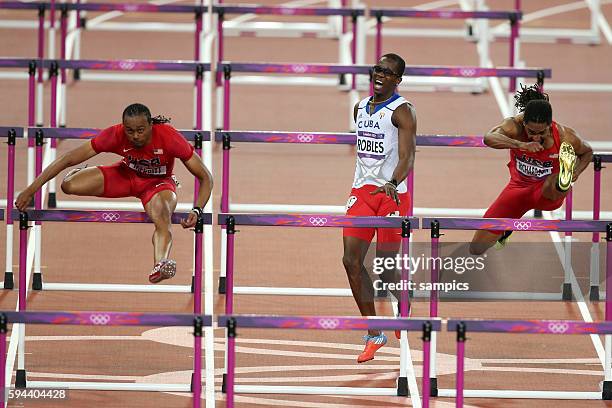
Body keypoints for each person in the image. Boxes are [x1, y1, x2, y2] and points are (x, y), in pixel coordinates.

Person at [15, 103, 213, 284]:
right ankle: (80, 173)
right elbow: (68, 158)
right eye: (130, 131)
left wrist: (197, 210)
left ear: (151, 126)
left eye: (140, 130)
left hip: (157, 185)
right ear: (123, 127)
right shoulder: (115, 134)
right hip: (125, 176)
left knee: (162, 214)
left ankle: (160, 263)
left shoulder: (169, 137)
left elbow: (206, 178)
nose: (135, 136)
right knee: (69, 185)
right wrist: (31, 189)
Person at [342, 53, 417, 363]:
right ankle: (375, 332)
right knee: (350, 261)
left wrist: (392, 181)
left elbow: (408, 156)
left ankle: (403, 300)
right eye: (377, 69)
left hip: (392, 195)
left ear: (397, 80)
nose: (380, 74)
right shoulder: (360, 107)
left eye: (387, 72)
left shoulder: (403, 111)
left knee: (386, 269)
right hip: (362, 193)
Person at [470, 84, 592, 255]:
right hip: (517, 190)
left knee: (553, 181)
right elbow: (489, 138)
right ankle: (506, 231)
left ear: (550, 125)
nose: (535, 136)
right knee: (476, 248)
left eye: (540, 132)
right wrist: (520, 144)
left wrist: (576, 173)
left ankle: (564, 179)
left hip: (547, 193)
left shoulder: (564, 136)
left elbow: (587, 152)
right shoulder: (514, 126)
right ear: (523, 122)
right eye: (531, 131)